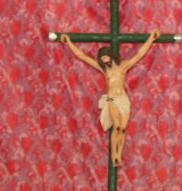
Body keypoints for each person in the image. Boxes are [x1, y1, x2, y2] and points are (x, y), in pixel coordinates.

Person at [60, 30, 160, 167]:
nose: (102, 61)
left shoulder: (123, 66)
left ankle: (119, 152)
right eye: (101, 59)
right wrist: (68, 42)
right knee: (117, 126)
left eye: (104, 58)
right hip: (110, 99)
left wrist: (151, 38)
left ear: (110, 55)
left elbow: (139, 54)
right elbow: (81, 56)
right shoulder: (104, 69)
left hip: (122, 99)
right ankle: (115, 155)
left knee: (123, 129)